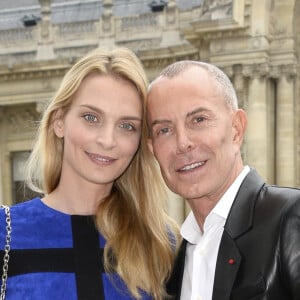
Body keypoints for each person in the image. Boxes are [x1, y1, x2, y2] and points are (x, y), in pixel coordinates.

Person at [0, 47, 180, 300]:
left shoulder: (162, 244)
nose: (107, 140)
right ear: (59, 122)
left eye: (127, 126)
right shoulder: (5, 232)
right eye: (91, 117)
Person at [146, 60, 300, 300]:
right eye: (164, 130)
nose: (182, 143)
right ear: (152, 148)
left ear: (236, 129)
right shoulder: (171, 262)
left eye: (198, 120)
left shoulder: (292, 216)